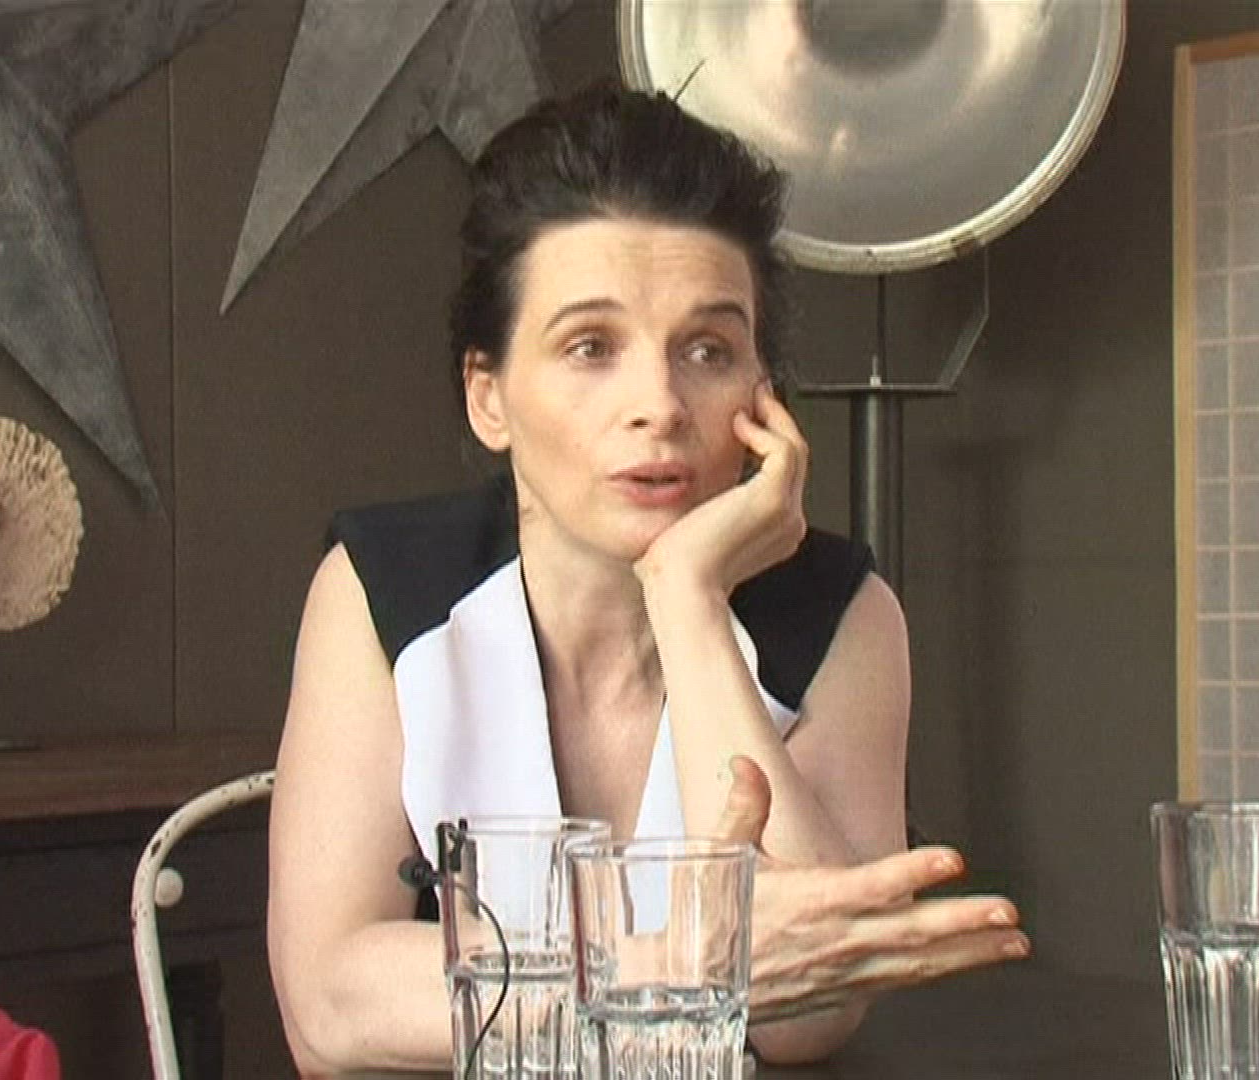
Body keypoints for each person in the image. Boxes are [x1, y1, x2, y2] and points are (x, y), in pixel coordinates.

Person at [268, 84, 1029, 1076]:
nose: (661, 405)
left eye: (709, 350)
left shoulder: (842, 612)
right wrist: (680, 965)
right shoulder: (382, 593)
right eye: (591, 347)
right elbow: (331, 1004)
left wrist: (687, 596)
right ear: (489, 397)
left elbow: (813, 1015)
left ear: (763, 395)